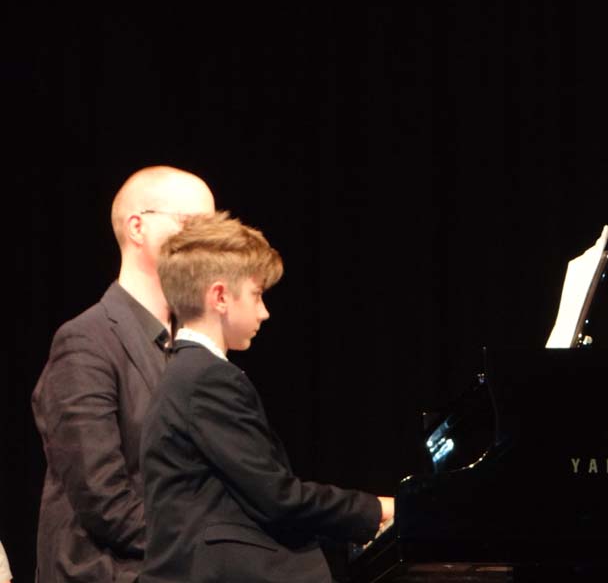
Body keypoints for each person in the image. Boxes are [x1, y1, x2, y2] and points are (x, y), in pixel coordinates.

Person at [140, 211, 394, 583]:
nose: (265, 312)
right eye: (257, 295)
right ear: (220, 296)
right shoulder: (206, 377)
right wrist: (377, 509)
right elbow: (277, 496)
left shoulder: (187, 372)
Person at [31, 166, 216, 583]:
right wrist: (207, 552)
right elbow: (103, 498)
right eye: (194, 224)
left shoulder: (190, 345)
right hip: (109, 570)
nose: (210, 242)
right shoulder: (86, 340)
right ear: (137, 228)